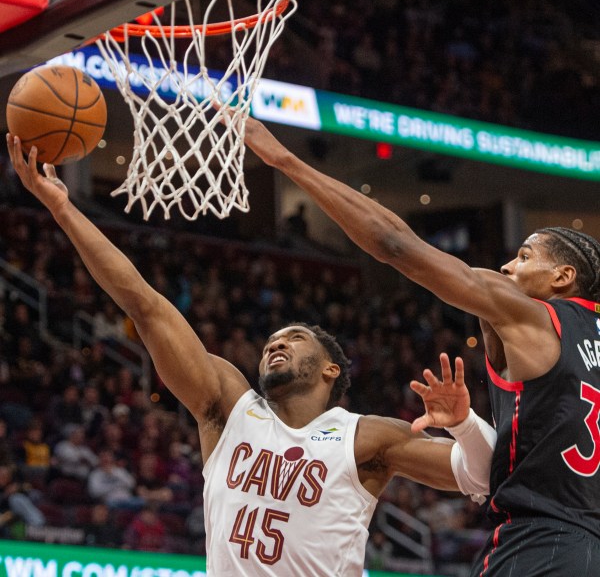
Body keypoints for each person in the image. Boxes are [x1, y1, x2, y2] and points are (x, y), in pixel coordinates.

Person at [5, 135, 495, 575]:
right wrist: (63, 210)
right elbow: (143, 303)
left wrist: (465, 423)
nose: (275, 344)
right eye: (271, 341)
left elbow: (483, 475)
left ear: (331, 368)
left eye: (295, 337)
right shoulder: (226, 407)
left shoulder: (365, 436)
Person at [241, 116, 600, 575]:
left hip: (540, 541)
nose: (509, 267)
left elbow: (396, 245)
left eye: (525, 257)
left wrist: (284, 160)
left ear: (563, 277)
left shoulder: (532, 315)